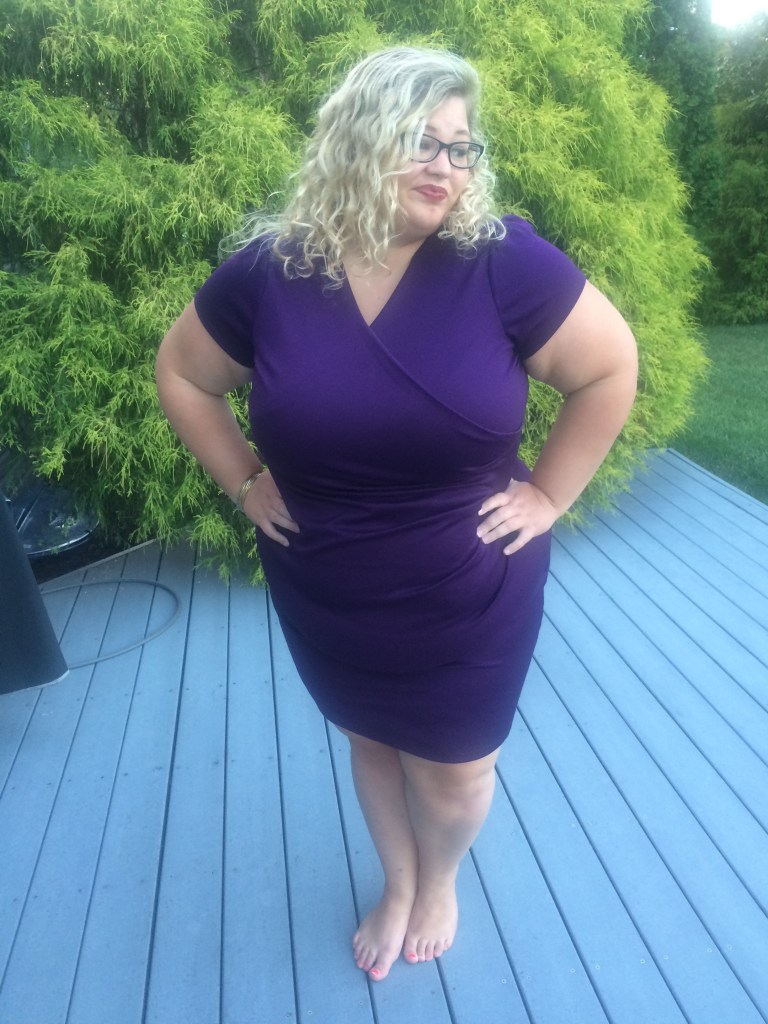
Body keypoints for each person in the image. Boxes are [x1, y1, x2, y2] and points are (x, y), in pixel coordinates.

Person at [155, 46, 637, 981]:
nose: (446, 165)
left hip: (468, 586)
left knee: (455, 773)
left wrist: (549, 494)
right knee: (371, 739)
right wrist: (243, 480)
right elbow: (183, 373)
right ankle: (399, 880)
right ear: (358, 138)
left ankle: (440, 877)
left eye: (462, 147)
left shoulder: (503, 262)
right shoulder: (274, 271)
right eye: (423, 140)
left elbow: (610, 367)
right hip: (328, 579)